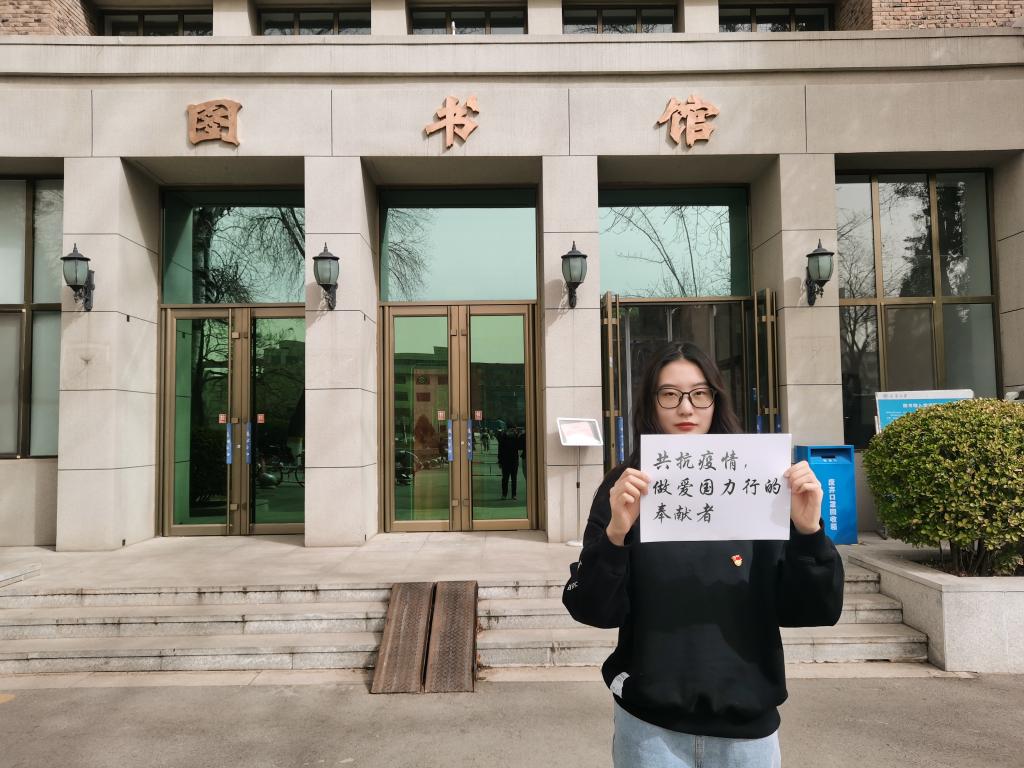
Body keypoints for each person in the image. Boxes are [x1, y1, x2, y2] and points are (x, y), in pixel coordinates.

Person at [562, 342, 844, 768]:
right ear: (650, 403)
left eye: (699, 393)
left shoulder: (762, 482)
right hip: (650, 731)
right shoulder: (626, 487)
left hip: (747, 730)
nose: (686, 408)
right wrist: (616, 533)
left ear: (716, 399)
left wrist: (809, 532)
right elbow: (591, 608)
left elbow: (814, 609)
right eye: (669, 394)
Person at [497, 425, 521, 500]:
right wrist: (500, 461)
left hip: (512, 461)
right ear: (507, 430)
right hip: (507, 461)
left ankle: (511, 495)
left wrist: (517, 435)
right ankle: (506, 494)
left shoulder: (516, 437)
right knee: (506, 478)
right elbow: (500, 450)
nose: (511, 432)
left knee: (512, 478)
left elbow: (520, 446)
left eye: (512, 430)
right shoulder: (503, 437)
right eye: (510, 430)